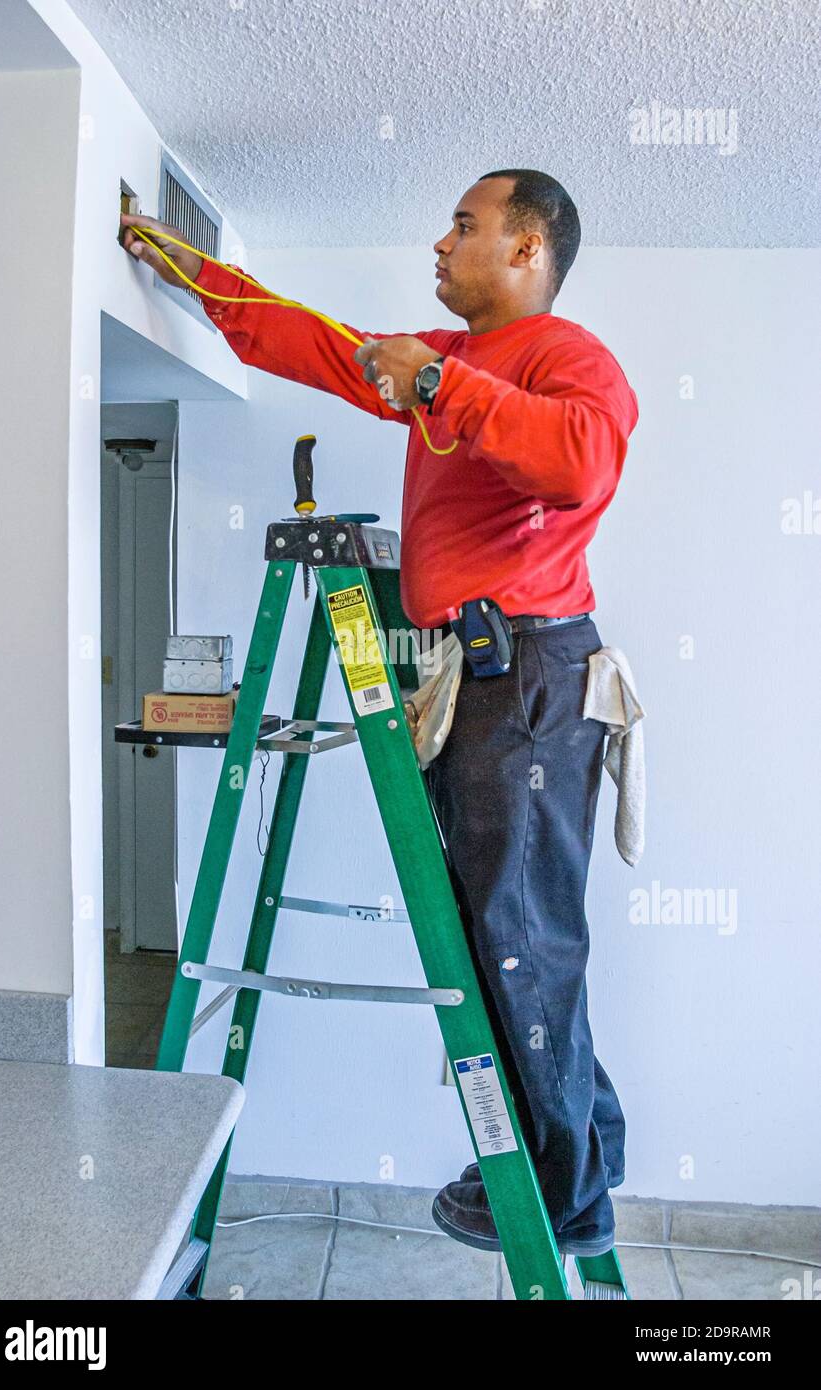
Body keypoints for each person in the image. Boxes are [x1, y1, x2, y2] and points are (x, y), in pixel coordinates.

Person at [121, 169, 638, 1257]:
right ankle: (580, 1159)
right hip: (475, 673)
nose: (440, 244)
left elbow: (582, 462)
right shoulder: (444, 364)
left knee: (516, 943)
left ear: (529, 250)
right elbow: (309, 343)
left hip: (529, 674)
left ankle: (560, 1189)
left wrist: (440, 390)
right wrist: (193, 271)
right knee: (510, 934)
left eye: (464, 225)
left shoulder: (563, 358)